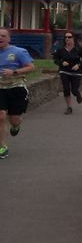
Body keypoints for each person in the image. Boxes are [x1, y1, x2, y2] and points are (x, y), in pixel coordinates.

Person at [0, 29, 36, 159]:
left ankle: (16, 126)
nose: (0, 38)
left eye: (3, 36)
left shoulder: (18, 52)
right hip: (0, 89)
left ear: (9, 38)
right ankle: (2, 146)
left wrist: (14, 72)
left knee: (14, 120)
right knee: (1, 116)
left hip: (16, 88)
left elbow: (31, 67)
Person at [53, 31, 82, 115]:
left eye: (69, 37)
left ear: (73, 38)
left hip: (76, 72)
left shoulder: (79, 49)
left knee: (74, 90)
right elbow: (55, 59)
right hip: (64, 71)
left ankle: (77, 93)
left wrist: (79, 65)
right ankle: (69, 107)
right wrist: (61, 63)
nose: (67, 39)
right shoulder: (61, 49)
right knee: (66, 89)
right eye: (65, 37)